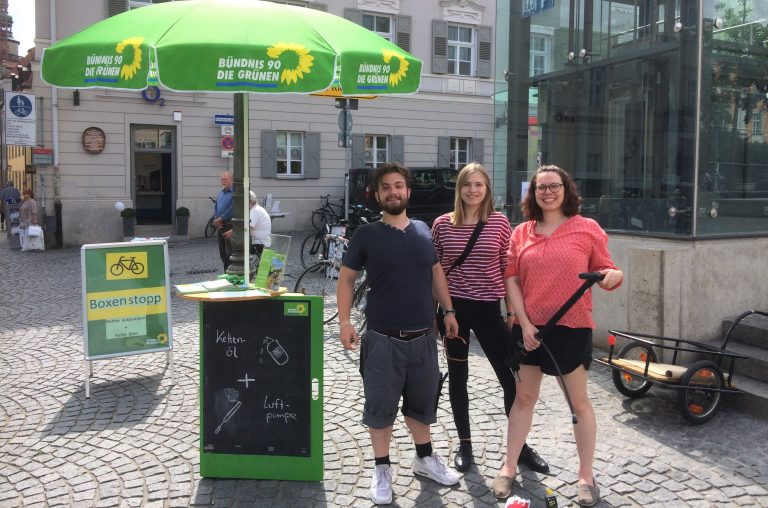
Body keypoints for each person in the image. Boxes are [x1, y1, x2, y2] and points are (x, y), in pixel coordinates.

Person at [493, 165, 623, 506]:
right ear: (532, 193)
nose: (547, 192)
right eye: (540, 188)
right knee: (523, 399)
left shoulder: (587, 229)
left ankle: (586, 476)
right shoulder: (521, 232)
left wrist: (612, 276)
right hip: (530, 329)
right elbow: (511, 279)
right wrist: (524, 322)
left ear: (566, 190)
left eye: (554, 186)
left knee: (578, 403)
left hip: (571, 327)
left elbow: (608, 268)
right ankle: (509, 467)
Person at [337, 163, 462, 505]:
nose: (393, 191)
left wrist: (448, 310)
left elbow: (435, 271)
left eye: (399, 186)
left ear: (408, 191)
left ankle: (424, 459)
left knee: (422, 405)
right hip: (382, 339)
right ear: (377, 195)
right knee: (380, 408)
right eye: (386, 187)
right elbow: (347, 278)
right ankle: (381, 469)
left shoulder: (422, 229)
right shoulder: (367, 235)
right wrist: (345, 322)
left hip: (424, 338)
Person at [431, 163, 549, 474]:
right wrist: (447, 311)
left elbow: (508, 270)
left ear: (487, 189)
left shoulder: (498, 223)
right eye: (468, 184)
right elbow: (436, 271)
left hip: (489, 309)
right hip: (455, 311)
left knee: (509, 377)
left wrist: (512, 311)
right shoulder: (442, 224)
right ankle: (465, 443)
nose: (473, 190)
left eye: (479, 185)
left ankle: (520, 446)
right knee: (458, 377)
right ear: (460, 188)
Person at [223, 190, 271, 256]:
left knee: (236, 249)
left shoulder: (255, 211)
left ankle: (236, 264)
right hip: (259, 242)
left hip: (259, 243)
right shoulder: (255, 209)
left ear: (249, 201)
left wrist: (232, 232)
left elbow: (247, 228)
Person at [212, 171, 234, 270]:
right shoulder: (221, 193)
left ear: (231, 180)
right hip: (220, 226)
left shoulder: (234, 193)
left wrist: (220, 219)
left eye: (225, 179)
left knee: (230, 253)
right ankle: (226, 272)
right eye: (222, 179)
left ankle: (230, 274)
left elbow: (232, 209)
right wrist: (216, 219)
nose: (223, 181)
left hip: (229, 226)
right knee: (222, 254)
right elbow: (216, 207)